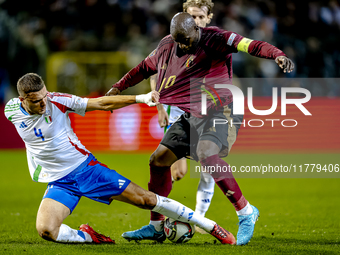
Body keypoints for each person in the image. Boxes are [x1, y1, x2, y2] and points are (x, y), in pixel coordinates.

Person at [106, 13, 294, 245]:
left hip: (222, 110)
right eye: (178, 41)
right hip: (192, 114)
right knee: (158, 160)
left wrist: (278, 55)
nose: (182, 45)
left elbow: (251, 45)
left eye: (186, 39)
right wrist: (118, 87)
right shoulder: (167, 45)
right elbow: (144, 68)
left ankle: (246, 212)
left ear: (196, 28)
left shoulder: (217, 38)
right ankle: (156, 226)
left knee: (207, 153)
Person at [4, 73, 237, 245]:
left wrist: (141, 98)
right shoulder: (11, 110)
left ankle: (211, 226)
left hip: (87, 170)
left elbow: (102, 103)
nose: (44, 104)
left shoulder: (57, 101)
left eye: (45, 96)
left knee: (145, 200)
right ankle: (90, 237)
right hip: (59, 181)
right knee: (46, 230)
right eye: (36, 101)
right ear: (22, 99)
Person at [150, 0, 215, 222]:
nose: (195, 21)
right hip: (179, 112)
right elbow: (152, 72)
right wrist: (159, 106)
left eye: (200, 17)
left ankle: (200, 217)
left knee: (209, 164)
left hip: (208, 114)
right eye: (191, 17)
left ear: (209, 18)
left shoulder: (217, 43)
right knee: (178, 172)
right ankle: (160, 218)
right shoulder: (173, 42)